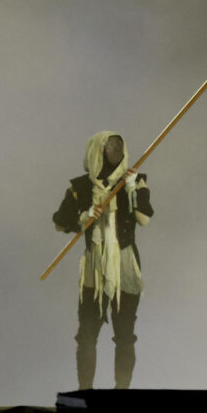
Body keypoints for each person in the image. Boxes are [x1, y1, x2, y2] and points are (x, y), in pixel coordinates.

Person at [53, 131, 153, 389]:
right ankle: (85, 391)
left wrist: (131, 188)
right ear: (97, 152)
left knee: (125, 335)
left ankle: (122, 392)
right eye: (109, 148)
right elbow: (59, 222)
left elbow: (144, 219)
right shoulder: (80, 188)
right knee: (87, 335)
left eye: (118, 147)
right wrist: (84, 217)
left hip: (125, 263)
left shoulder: (134, 181)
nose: (115, 152)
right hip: (94, 265)